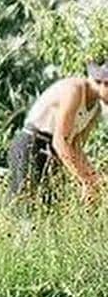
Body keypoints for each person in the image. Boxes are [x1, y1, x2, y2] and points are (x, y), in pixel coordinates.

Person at [8, 62, 108, 203]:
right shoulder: (75, 90)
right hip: (32, 144)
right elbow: (60, 141)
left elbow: (75, 147)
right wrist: (84, 180)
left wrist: (94, 178)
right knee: (24, 205)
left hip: (53, 153)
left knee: (48, 207)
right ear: (104, 83)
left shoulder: (96, 108)